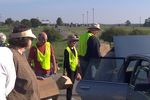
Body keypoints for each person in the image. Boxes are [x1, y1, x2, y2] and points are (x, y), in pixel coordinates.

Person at [7, 24, 40, 100]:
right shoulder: (10, 55)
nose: (32, 41)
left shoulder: (21, 54)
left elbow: (21, 75)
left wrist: (33, 77)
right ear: (24, 39)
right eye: (31, 39)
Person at [63, 34, 81, 100]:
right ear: (70, 41)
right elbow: (66, 62)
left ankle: (69, 97)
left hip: (75, 69)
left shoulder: (75, 49)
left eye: (75, 41)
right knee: (69, 86)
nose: (75, 42)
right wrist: (65, 71)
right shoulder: (67, 50)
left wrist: (78, 71)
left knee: (72, 85)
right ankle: (68, 98)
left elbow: (76, 59)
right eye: (73, 41)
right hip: (70, 70)